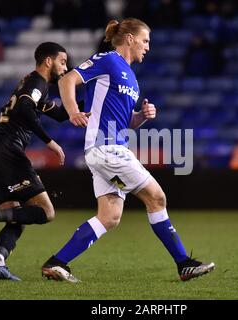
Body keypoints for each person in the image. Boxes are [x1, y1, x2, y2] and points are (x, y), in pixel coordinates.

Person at [40, 18, 215, 283]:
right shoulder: (108, 60)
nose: (147, 47)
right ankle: (183, 264)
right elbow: (66, 80)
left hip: (107, 150)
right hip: (107, 149)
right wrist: (74, 111)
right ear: (130, 38)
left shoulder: (131, 77)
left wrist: (142, 116)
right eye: (145, 41)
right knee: (157, 198)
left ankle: (57, 262)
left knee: (109, 216)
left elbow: (126, 122)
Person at [0, 42, 81, 281]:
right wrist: (50, 142)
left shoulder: (34, 86)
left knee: (17, 214)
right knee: (45, 212)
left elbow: (60, 114)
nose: (65, 66)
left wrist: (79, 104)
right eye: (62, 61)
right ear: (47, 61)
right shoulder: (36, 81)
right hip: (7, 152)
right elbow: (26, 110)